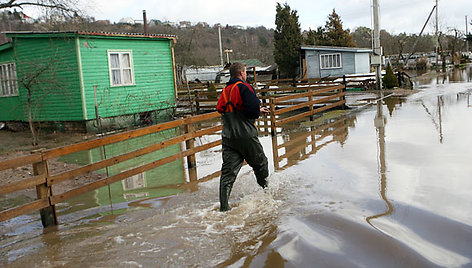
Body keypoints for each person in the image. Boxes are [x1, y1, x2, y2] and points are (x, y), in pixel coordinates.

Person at [216, 62, 270, 211]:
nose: (246, 75)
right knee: (261, 164)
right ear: (241, 73)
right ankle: (267, 194)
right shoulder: (245, 87)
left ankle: (224, 208)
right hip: (245, 134)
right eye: (245, 72)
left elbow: (220, 108)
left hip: (228, 137)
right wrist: (258, 111)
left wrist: (255, 110)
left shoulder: (225, 90)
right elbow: (252, 110)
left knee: (228, 174)